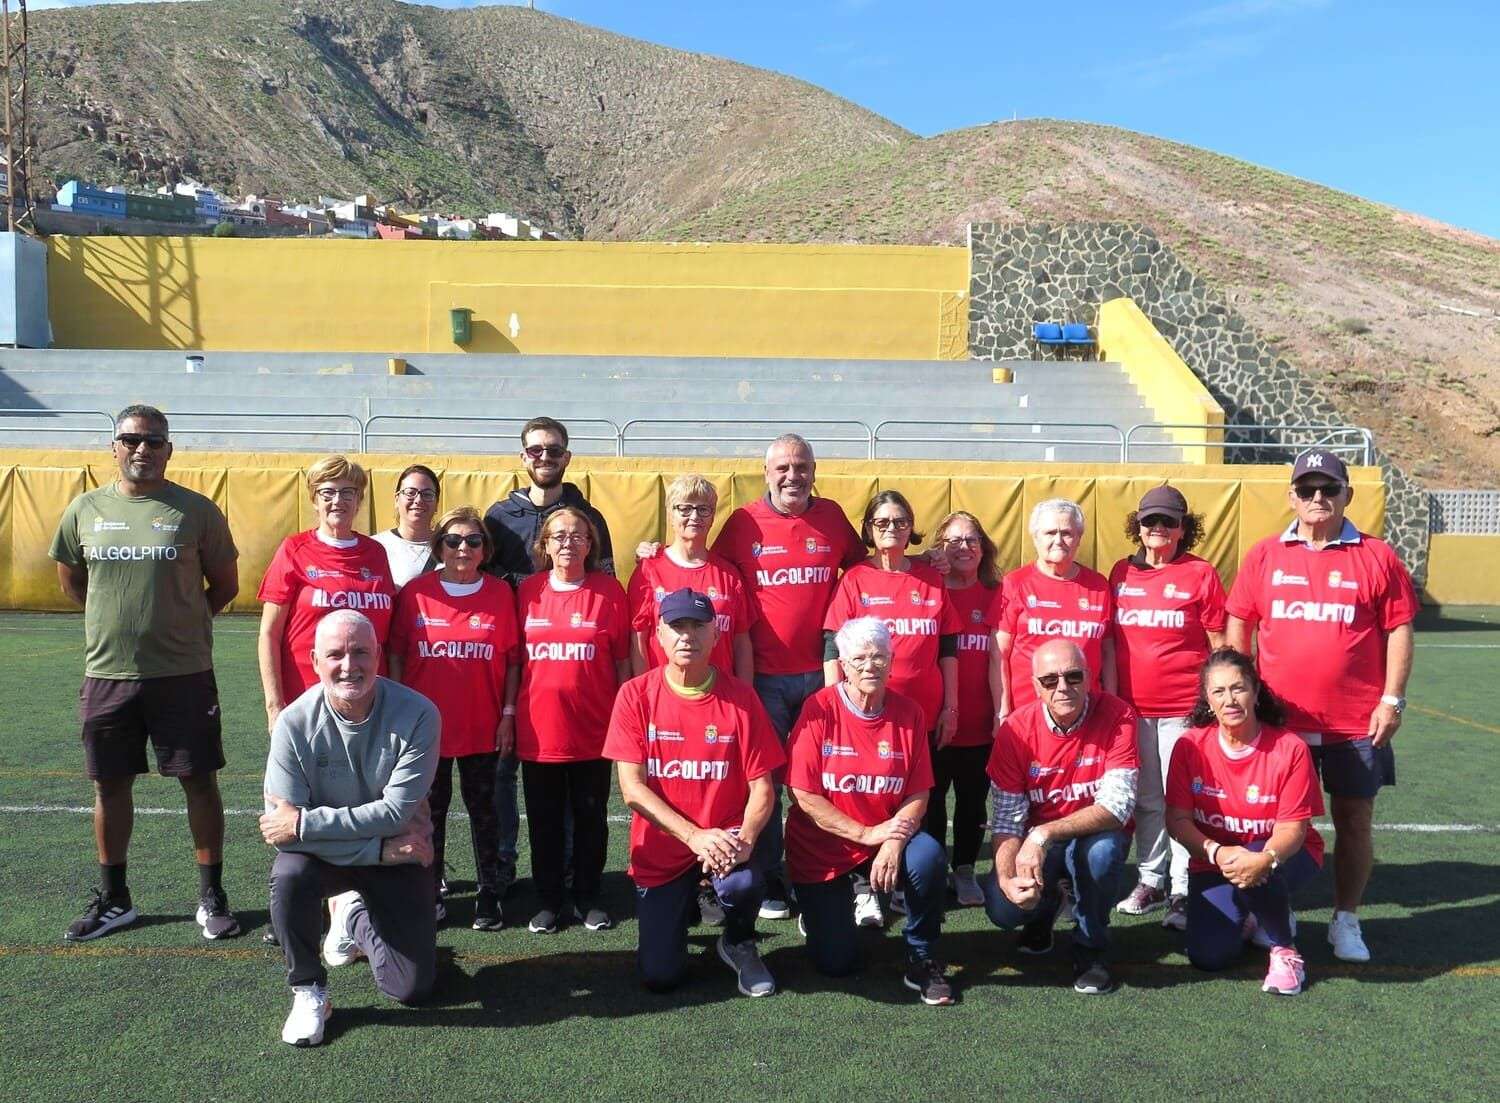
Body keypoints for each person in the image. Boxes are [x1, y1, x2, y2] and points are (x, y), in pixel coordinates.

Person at [50, 404, 241, 943]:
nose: (143, 449)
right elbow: (72, 582)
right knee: (110, 784)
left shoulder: (196, 511)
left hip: (183, 673)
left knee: (198, 780)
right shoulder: (84, 509)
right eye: (132, 439)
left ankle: (211, 895)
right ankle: (115, 900)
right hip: (108, 673)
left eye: (154, 441)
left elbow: (225, 586)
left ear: (169, 449)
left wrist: (180, 623)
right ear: (113, 447)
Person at [1226, 448, 1417, 963]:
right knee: (1275, 823)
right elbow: (1240, 622)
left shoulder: (1377, 556)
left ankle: (1346, 919)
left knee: (1354, 820)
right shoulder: (1265, 555)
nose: (1318, 498)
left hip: (1355, 723)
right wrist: (1243, 693)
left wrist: (1392, 699)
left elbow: (1399, 629)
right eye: (1307, 489)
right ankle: (1279, 911)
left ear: (1346, 496)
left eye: (1329, 489)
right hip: (1280, 723)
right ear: (1291, 497)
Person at [259, 610, 440, 1047]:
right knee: (290, 874)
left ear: (378, 655)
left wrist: (306, 823)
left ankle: (351, 915)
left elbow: (394, 815)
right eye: (335, 654)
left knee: (411, 989)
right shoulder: (293, 723)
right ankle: (308, 990)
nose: (348, 665)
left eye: (360, 652)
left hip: (394, 854)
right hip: (385, 851)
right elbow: (282, 832)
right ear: (314, 660)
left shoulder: (419, 714)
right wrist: (376, 850)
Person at [711, 433, 866, 918]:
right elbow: (706, 567)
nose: (792, 476)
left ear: (814, 471)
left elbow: (866, 569)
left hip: (825, 677)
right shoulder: (742, 523)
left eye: (801, 467)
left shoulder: (833, 517)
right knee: (767, 782)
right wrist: (654, 552)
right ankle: (772, 878)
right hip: (763, 679)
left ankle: (827, 871)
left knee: (827, 776)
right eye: (783, 468)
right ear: (766, 473)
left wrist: (924, 562)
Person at [605, 588, 785, 997]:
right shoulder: (635, 695)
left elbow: (763, 788)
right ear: (659, 635)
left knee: (742, 884)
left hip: (724, 843)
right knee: (660, 976)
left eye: (698, 626)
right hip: (664, 850)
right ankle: (681, 905)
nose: (688, 636)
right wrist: (694, 836)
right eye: (677, 626)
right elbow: (632, 790)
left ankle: (738, 941)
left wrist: (745, 840)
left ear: (716, 634)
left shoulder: (742, 698)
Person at [786, 617, 953, 1005]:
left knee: (927, 857)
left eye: (879, 656)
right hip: (824, 848)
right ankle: (818, 911)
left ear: (891, 662)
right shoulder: (818, 709)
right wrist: (865, 834)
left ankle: (921, 954)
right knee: (836, 963)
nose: (870, 666)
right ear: (843, 664)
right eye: (859, 658)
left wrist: (892, 842)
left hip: (885, 837)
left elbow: (918, 792)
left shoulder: (909, 713)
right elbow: (802, 794)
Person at [484, 416, 616, 896]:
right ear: (523, 456)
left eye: (554, 450)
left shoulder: (588, 517)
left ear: (567, 457)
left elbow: (604, 583)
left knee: (577, 795)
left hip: (572, 667)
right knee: (505, 781)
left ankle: (574, 879)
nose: (545, 457)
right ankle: (504, 869)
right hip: (516, 665)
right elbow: (485, 583)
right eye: (536, 450)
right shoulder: (499, 517)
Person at [822, 490, 959, 927]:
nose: (892, 529)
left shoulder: (931, 576)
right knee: (865, 799)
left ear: (911, 526)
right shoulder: (855, 578)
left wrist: (951, 706)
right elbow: (832, 647)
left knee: (919, 797)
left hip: (922, 714)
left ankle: (907, 883)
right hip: (867, 715)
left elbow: (948, 647)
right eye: (882, 522)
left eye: (900, 521)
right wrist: (836, 706)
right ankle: (863, 885)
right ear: (868, 528)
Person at [981, 639, 1138, 995]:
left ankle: (1091, 949)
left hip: (1092, 835)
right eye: (1050, 680)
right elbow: (1006, 820)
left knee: (1100, 853)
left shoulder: (1118, 715)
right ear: (1035, 686)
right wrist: (1006, 879)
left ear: (1090, 677)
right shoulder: (1015, 730)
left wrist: (1042, 834)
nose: (1063, 687)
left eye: (1073, 676)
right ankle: (1044, 908)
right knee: (1004, 909)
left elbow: (1117, 807)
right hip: (1043, 845)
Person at [389, 506, 519, 930]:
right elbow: (396, 654)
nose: (463, 548)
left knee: (486, 813)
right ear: (439, 546)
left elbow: (513, 661)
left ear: (485, 549)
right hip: (426, 731)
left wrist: (508, 714)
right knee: (429, 814)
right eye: (453, 540)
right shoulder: (415, 593)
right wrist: (397, 710)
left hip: (482, 727)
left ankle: (489, 894)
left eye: (473, 540)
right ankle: (430, 892)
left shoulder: (500, 593)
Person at [1166, 649, 1325, 996]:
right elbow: (1177, 820)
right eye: (1219, 691)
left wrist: (1264, 859)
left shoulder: (1289, 748)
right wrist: (1216, 852)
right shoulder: (1189, 746)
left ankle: (1285, 950)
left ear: (1255, 690)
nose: (1230, 699)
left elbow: (1292, 830)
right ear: (1208, 700)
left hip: (1285, 856)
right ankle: (1257, 912)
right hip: (1216, 861)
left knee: (1257, 864)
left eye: (1238, 688)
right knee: (1208, 956)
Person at [1108, 485, 1228, 930]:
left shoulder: (1201, 573)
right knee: (1146, 800)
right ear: (1137, 526)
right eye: (1149, 520)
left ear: (1183, 528)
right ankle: (1151, 878)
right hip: (1132, 710)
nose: (1157, 528)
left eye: (1168, 521)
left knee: (1180, 800)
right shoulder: (1121, 572)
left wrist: (1215, 703)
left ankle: (1182, 886)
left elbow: (1220, 645)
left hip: (1184, 710)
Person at [514, 506, 631, 933]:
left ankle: (588, 896)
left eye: (578, 536)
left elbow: (622, 663)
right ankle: (548, 900)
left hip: (593, 729)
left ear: (590, 544)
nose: (568, 543)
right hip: (539, 731)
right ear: (544, 545)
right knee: (543, 822)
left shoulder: (609, 591)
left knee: (591, 819)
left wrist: (624, 719)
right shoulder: (527, 592)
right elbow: (515, 662)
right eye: (559, 536)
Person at [257, 455, 396, 733]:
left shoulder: (376, 553)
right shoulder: (294, 549)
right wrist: (274, 706)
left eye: (348, 492)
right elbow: (269, 634)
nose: (338, 500)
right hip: (308, 700)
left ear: (359, 499)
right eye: (327, 492)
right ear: (314, 499)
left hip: (369, 701)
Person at [926, 510, 1006, 908]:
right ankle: (932, 868)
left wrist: (1001, 713)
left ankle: (964, 869)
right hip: (935, 721)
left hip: (980, 722)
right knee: (932, 802)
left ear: (984, 547)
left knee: (973, 802)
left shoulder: (998, 594)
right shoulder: (928, 589)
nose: (964, 547)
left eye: (971, 539)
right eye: (954, 540)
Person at [993, 498, 1115, 720]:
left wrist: (1111, 705)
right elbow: (999, 653)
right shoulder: (1015, 583)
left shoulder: (1099, 585)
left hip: (1088, 713)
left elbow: (1107, 653)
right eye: (1050, 533)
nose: (1058, 540)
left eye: (1067, 533)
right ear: (1035, 537)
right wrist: (1002, 712)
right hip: (1028, 714)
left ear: (1079, 538)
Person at [628, 474, 756, 681]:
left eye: (703, 509)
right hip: (665, 692)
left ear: (712, 517)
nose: (695, 516)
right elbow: (638, 640)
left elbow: (741, 642)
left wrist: (745, 692)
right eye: (685, 509)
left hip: (719, 692)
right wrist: (646, 691)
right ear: (671, 514)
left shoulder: (730, 575)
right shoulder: (648, 570)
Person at [372, 464, 440, 588]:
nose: (418, 500)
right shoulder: (375, 547)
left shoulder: (452, 547)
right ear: (396, 500)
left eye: (427, 494)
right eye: (410, 493)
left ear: (436, 504)